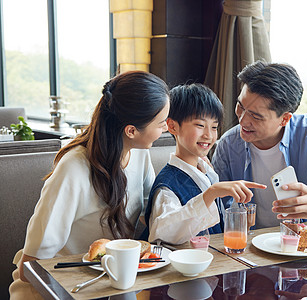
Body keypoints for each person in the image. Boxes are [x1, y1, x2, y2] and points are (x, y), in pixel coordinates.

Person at [9, 71, 170, 299]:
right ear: (131, 131)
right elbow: (30, 268)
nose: (166, 128)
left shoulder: (139, 154)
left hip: (111, 283)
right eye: (162, 123)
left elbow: (150, 216)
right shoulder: (74, 168)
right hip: (55, 287)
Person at [212, 61, 307, 228]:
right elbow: (214, 205)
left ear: (284, 119)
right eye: (240, 106)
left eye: (256, 116)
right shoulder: (229, 144)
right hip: (253, 247)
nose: (243, 120)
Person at [145, 83, 266, 244]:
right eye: (200, 125)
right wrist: (211, 193)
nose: (209, 135)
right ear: (172, 126)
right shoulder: (167, 185)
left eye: (214, 127)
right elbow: (164, 231)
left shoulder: (207, 171)